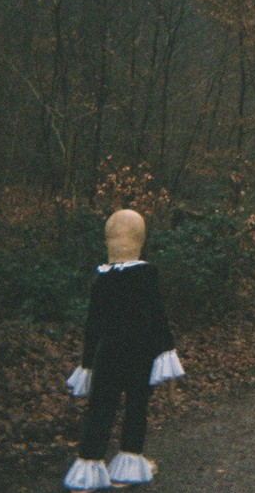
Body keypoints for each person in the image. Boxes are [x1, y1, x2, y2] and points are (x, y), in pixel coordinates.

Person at [63, 209, 185, 490]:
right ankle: (128, 466)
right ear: (140, 239)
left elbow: (93, 325)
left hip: (106, 353)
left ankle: (88, 468)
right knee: (136, 408)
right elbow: (157, 318)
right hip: (139, 353)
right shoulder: (147, 275)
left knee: (100, 408)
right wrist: (166, 352)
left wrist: (87, 362)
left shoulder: (102, 279)